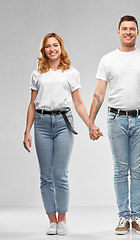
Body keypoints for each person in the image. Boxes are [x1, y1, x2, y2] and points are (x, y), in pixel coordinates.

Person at [88, 15, 140, 235]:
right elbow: (99, 92)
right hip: (115, 119)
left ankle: (137, 217)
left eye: (132, 29)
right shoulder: (107, 60)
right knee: (120, 170)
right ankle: (123, 217)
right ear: (118, 32)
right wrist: (91, 120)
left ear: (138, 32)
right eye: (124, 29)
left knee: (137, 171)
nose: (128, 32)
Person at [23, 33, 101, 235]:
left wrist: (90, 124)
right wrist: (27, 131)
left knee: (60, 174)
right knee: (46, 176)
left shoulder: (71, 73)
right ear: (44, 50)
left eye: (55, 45)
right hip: (41, 124)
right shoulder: (37, 74)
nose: (52, 49)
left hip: (63, 123)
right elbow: (32, 104)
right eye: (48, 46)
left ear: (61, 47)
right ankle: (52, 220)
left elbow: (78, 103)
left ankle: (63, 219)